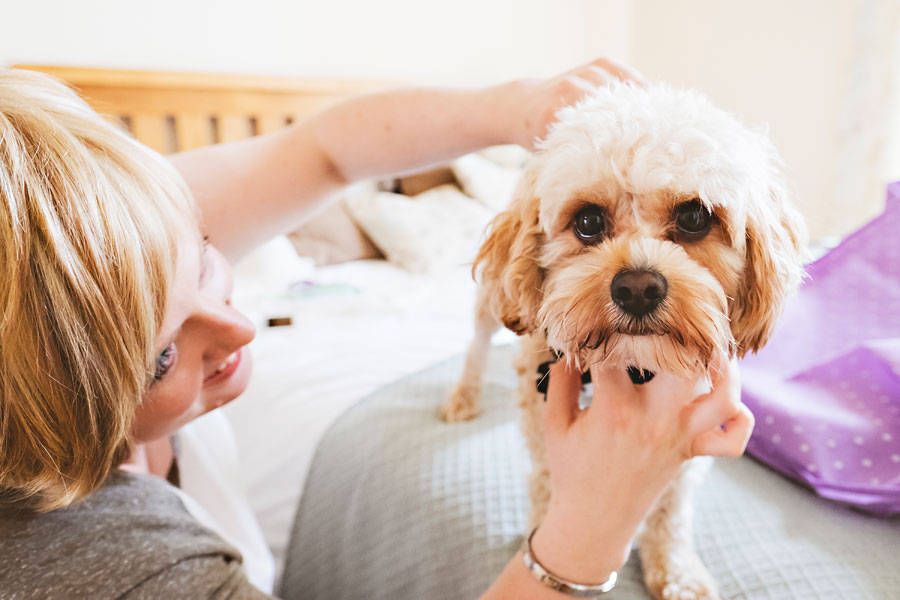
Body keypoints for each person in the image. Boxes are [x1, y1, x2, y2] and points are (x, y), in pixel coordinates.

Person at [0, 59, 753, 599]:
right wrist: (588, 527)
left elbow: (325, 150)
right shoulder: (118, 569)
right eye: (162, 356)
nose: (241, 326)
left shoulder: (110, 228)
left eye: (205, 256)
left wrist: (516, 105)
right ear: (43, 414)